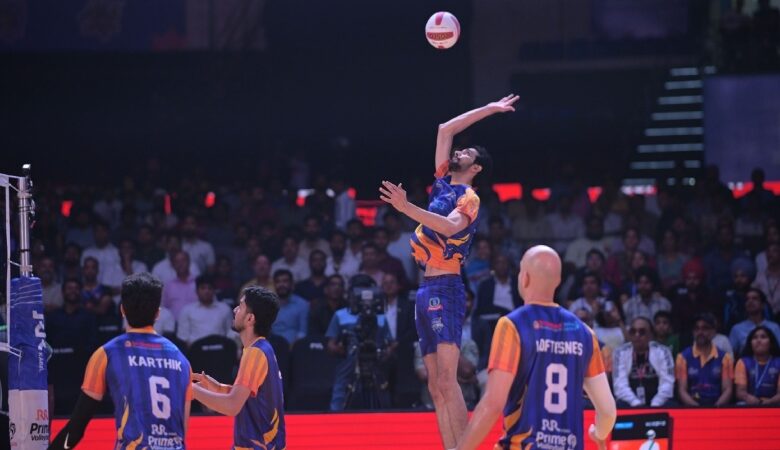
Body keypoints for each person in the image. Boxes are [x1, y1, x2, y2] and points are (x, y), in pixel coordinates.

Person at [380, 94, 517, 450]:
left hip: (447, 288)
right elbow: (445, 129)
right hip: (425, 289)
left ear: (476, 168)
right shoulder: (442, 180)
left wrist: (406, 207)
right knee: (434, 385)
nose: (460, 150)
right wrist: (491, 110)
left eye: (468, 152)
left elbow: (450, 226)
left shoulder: (469, 197)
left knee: (447, 379)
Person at [456, 246, 616, 450]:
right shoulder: (585, 333)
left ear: (524, 278)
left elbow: (492, 405)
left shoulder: (512, 325)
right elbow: (608, 411)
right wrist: (598, 433)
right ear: (558, 281)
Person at [49, 272, 193, 450]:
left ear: (122, 310)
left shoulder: (107, 353)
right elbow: (182, 431)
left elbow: (75, 431)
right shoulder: (181, 360)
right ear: (157, 313)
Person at [192, 286, 286, 450]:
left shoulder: (255, 353)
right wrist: (217, 388)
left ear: (250, 319)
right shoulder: (263, 348)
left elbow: (232, 406)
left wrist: (191, 389)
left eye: (240, 306)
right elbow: (248, 398)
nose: (235, 310)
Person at [612, 317, 675, 407]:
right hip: (630, 402)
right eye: (633, 331)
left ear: (650, 335)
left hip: (658, 402)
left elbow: (667, 384)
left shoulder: (663, 352)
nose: (637, 335)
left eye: (642, 332)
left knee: (671, 404)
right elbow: (620, 385)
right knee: (619, 404)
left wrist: (655, 405)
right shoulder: (620, 352)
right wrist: (636, 404)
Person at [675, 313, 734, 407]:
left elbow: (727, 389)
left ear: (713, 332)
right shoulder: (682, 357)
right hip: (691, 407)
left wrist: (715, 409)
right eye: (696, 329)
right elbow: (682, 390)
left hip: (718, 407)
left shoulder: (725, 358)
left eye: (705, 328)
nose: (700, 332)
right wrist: (697, 409)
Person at [176, 275, 234, 346]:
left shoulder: (225, 309)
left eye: (209, 288)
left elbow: (230, 333)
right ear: (196, 291)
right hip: (195, 350)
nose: (206, 291)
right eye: (203, 288)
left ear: (214, 291)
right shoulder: (187, 310)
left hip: (220, 349)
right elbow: (183, 336)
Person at [735, 325, 780, 405]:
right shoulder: (742, 362)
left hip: (774, 404)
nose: (758, 340)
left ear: (771, 343)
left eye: (763, 337)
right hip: (750, 404)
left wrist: (769, 402)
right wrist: (750, 399)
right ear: (750, 343)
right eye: (755, 338)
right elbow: (740, 391)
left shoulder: (778, 362)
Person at [729, 288, 780, 356]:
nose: (750, 301)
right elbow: (730, 355)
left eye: (755, 298)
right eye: (747, 299)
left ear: (763, 305)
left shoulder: (774, 327)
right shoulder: (736, 329)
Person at [269, 269, 309, 346]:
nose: (281, 285)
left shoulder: (302, 304)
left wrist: (293, 347)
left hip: (295, 347)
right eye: (278, 282)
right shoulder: (268, 304)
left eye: (285, 281)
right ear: (274, 285)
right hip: (272, 347)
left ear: (292, 284)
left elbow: (303, 332)